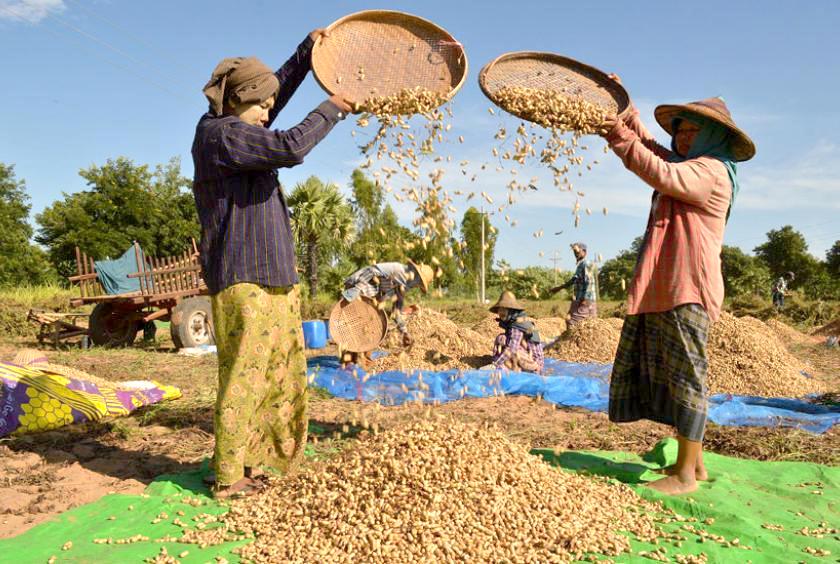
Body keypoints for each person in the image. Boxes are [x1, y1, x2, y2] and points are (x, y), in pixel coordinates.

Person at [191, 29, 355, 499]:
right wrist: (334, 107)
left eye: (269, 105)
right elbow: (291, 147)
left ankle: (253, 459)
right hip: (245, 277)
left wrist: (307, 52)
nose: (268, 112)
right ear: (240, 100)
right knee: (245, 375)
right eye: (261, 105)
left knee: (277, 373)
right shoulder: (222, 137)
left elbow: (271, 91)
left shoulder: (240, 125)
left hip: (274, 275)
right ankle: (227, 474)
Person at [601, 75, 755, 495]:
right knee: (678, 374)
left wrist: (617, 135)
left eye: (693, 130)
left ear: (714, 136)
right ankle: (697, 465)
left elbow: (657, 170)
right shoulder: (693, 164)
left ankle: (685, 476)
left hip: (689, 286)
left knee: (689, 376)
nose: (683, 137)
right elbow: (655, 151)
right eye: (681, 129)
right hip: (670, 285)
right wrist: (626, 111)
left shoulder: (711, 172)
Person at [342, 261, 434, 348]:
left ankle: (360, 357)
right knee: (359, 326)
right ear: (415, 274)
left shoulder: (402, 288)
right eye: (419, 282)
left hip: (370, 298)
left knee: (370, 329)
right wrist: (357, 288)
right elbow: (371, 270)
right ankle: (350, 355)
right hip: (359, 285)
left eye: (419, 285)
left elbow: (396, 313)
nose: (416, 285)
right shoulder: (397, 269)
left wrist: (404, 333)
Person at [480, 291, 545, 373]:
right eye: (500, 310)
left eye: (504, 310)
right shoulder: (514, 321)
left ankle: (501, 366)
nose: (501, 313)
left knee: (512, 352)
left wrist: (495, 365)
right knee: (501, 338)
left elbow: (512, 349)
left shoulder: (518, 325)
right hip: (525, 355)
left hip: (535, 363)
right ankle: (502, 363)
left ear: (511, 311)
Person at [549, 242, 598, 327]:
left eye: (578, 252)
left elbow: (589, 281)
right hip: (581, 300)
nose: (576, 254)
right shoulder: (581, 265)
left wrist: (585, 299)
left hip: (586, 301)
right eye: (574, 252)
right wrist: (559, 288)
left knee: (572, 324)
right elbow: (573, 280)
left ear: (584, 252)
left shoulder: (586, 264)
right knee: (585, 325)